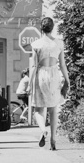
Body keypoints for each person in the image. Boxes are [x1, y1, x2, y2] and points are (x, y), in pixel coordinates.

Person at [28, 16, 70, 150]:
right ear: (52, 28)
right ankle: (53, 140)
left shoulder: (36, 44)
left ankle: (43, 130)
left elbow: (34, 66)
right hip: (54, 75)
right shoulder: (59, 43)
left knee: (38, 108)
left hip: (41, 74)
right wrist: (67, 80)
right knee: (53, 109)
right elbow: (62, 65)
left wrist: (29, 83)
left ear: (41, 28)